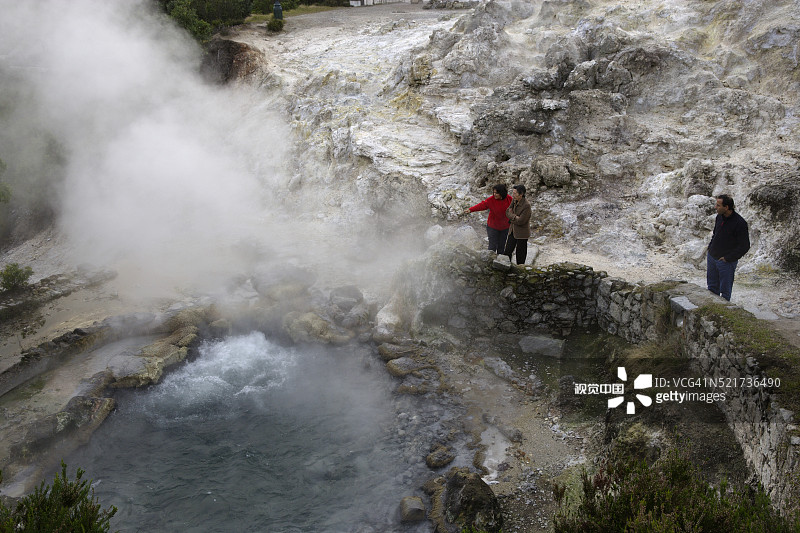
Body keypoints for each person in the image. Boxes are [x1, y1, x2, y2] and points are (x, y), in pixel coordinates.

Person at [707, 194, 750, 301]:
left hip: (726, 262)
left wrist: (728, 258)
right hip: (712, 257)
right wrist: (710, 248)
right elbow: (715, 234)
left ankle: (722, 314)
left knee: (725, 291)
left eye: (718, 205)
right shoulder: (719, 217)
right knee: (712, 288)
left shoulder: (740, 223)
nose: (715, 207)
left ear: (726, 207)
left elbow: (745, 246)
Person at [463, 184, 513, 253]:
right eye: (494, 192)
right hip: (492, 227)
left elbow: (515, 209)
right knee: (492, 246)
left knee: (501, 246)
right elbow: (482, 205)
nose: (494, 194)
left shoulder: (509, 199)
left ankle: (498, 262)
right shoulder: (491, 200)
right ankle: (490, 261)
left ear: (502, 193)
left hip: (505, 228)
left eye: (497, 193)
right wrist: (471, 209)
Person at [504, 184, 532, 264]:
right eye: (513, 193)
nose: (513, 195)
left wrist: (511, 217)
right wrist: (515, 217)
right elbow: (507, 212)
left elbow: (521, 221)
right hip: (512, 230)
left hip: (522, 233)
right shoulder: (514, 200)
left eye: (515, 193)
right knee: (507, 251)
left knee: (520, 255)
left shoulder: (526, 205)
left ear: (521, 194)